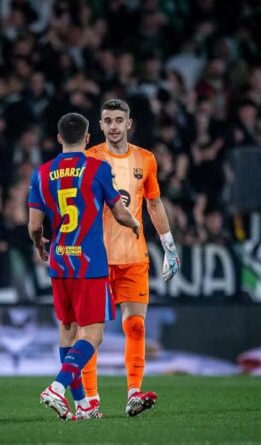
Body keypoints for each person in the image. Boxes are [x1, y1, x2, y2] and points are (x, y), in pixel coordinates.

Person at [28, 113, 140, 420]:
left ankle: (84, 405)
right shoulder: (98, 168)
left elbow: (35, 225)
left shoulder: (41, 172)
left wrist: (41, 245)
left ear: (59, 137)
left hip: (59, 261)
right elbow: (119, 212)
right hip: (89, 263)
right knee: (93, 335)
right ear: (88, 138)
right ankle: (56, 387)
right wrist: (134, 225)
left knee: (68, 332)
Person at [82, 99, 181, 417]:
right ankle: (91, 401)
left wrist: (169, 246)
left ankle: (134, 394)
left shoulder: (145, 159)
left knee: (136, 326)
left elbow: (154, 204)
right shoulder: (89, 158)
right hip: (96, 258)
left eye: (118, 120)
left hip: (134, 258)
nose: (113, 125)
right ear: (101, 125)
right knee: (90, 332)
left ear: (129, 123)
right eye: (107, 120)